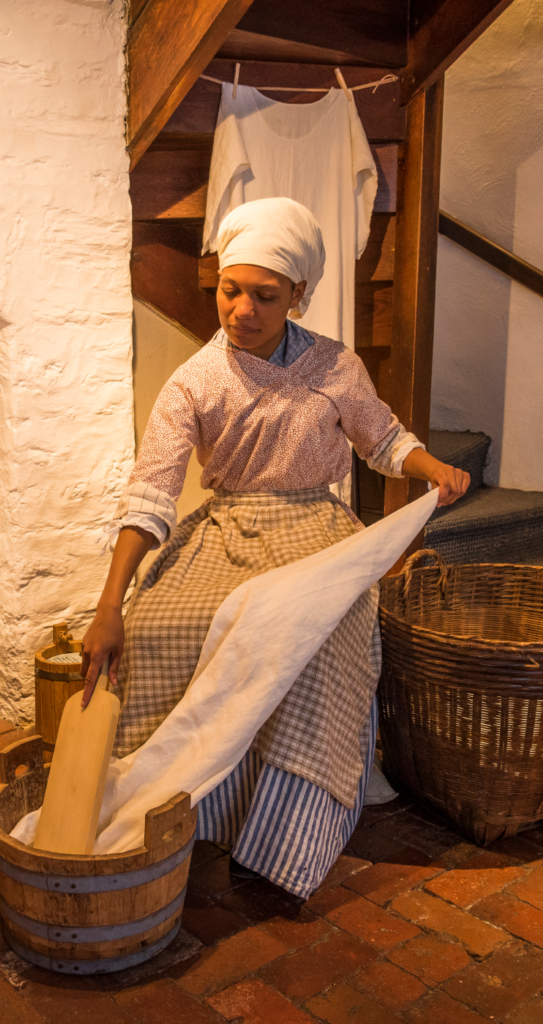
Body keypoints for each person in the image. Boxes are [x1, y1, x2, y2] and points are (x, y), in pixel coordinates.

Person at [80, 197, 469, 898]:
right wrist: (109, 605)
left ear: (299, 294)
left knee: (317, 633)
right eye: (231, 290)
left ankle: (283, 832)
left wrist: (430, 468)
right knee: (159, 626)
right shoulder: (194, 382)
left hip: (313, 533)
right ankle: (185, 812)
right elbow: (151, 494)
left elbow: (382, 441)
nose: (242, 310)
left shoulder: (335, 367)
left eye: (265, 296)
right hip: (226, 530)